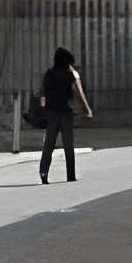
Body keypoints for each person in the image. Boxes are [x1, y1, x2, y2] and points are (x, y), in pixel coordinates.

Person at [36, 46, 92, 183]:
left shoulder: (49, 73)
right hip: (65, 113)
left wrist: (43, 110)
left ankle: (44, 173)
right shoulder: (69, 75)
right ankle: (70, 175)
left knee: (48, 144)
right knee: (68, 145)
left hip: (51, 113)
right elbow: (79, 93)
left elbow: (42, 93)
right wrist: (87, 109)